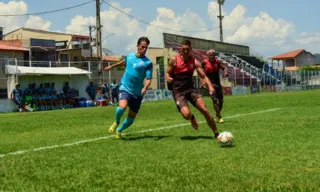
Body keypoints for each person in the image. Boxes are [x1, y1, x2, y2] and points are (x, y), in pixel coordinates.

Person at [165, 40, 220, 139]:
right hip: (178, 91)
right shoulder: (174, 60)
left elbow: (203, 76)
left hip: (190, 89)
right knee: (186, 114)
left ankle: (216, 134)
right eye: (183, 49)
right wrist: (168, 77)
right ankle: (192, 117)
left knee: (205, 110)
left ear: (190, 49)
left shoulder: (195, 62)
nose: (185, 51)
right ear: (181, 49)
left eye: (187, 49)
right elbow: (168, 72)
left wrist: (210, 87)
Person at [104, 37, 153, 139]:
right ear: (137, 46)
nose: (144, 49)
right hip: (125, 87)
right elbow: (122, 62)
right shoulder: (130, 56)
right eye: (142, 47)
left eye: (146, 48)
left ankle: (119, 130)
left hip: (137, 93)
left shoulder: (148, 63)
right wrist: (111, 67)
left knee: (131, 118)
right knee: (122, 107)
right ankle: (116, 122)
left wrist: (145, 88)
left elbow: (148, 78)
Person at [201, 49, 228, 124]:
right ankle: (220, 117)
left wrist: (225, 72)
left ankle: (217, 114)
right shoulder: (204, 62)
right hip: (210, 85)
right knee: (214, 100)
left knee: (221, 101)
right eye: (210, 55)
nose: (212, 56)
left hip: (218, 84)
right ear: (208, 56)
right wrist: (202, 81)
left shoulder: (217, 62)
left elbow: (224, 67)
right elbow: (199, 70)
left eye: (213, 55)